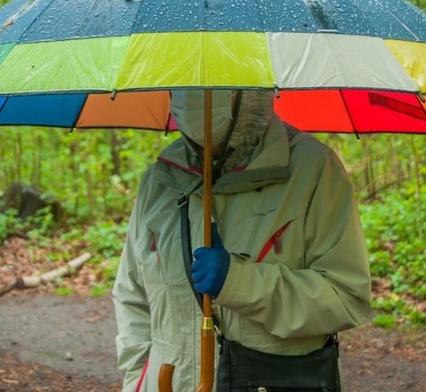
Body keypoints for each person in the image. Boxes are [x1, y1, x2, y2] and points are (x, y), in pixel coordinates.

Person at [113, 89, 371, 391]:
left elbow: (346, 297)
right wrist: (137, 381)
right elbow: (132, 296)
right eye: (184, 82)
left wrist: (237, 282)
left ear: (251, 92)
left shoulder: (312, 170)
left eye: (215, 81)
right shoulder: (160, 180)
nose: (194, 94)